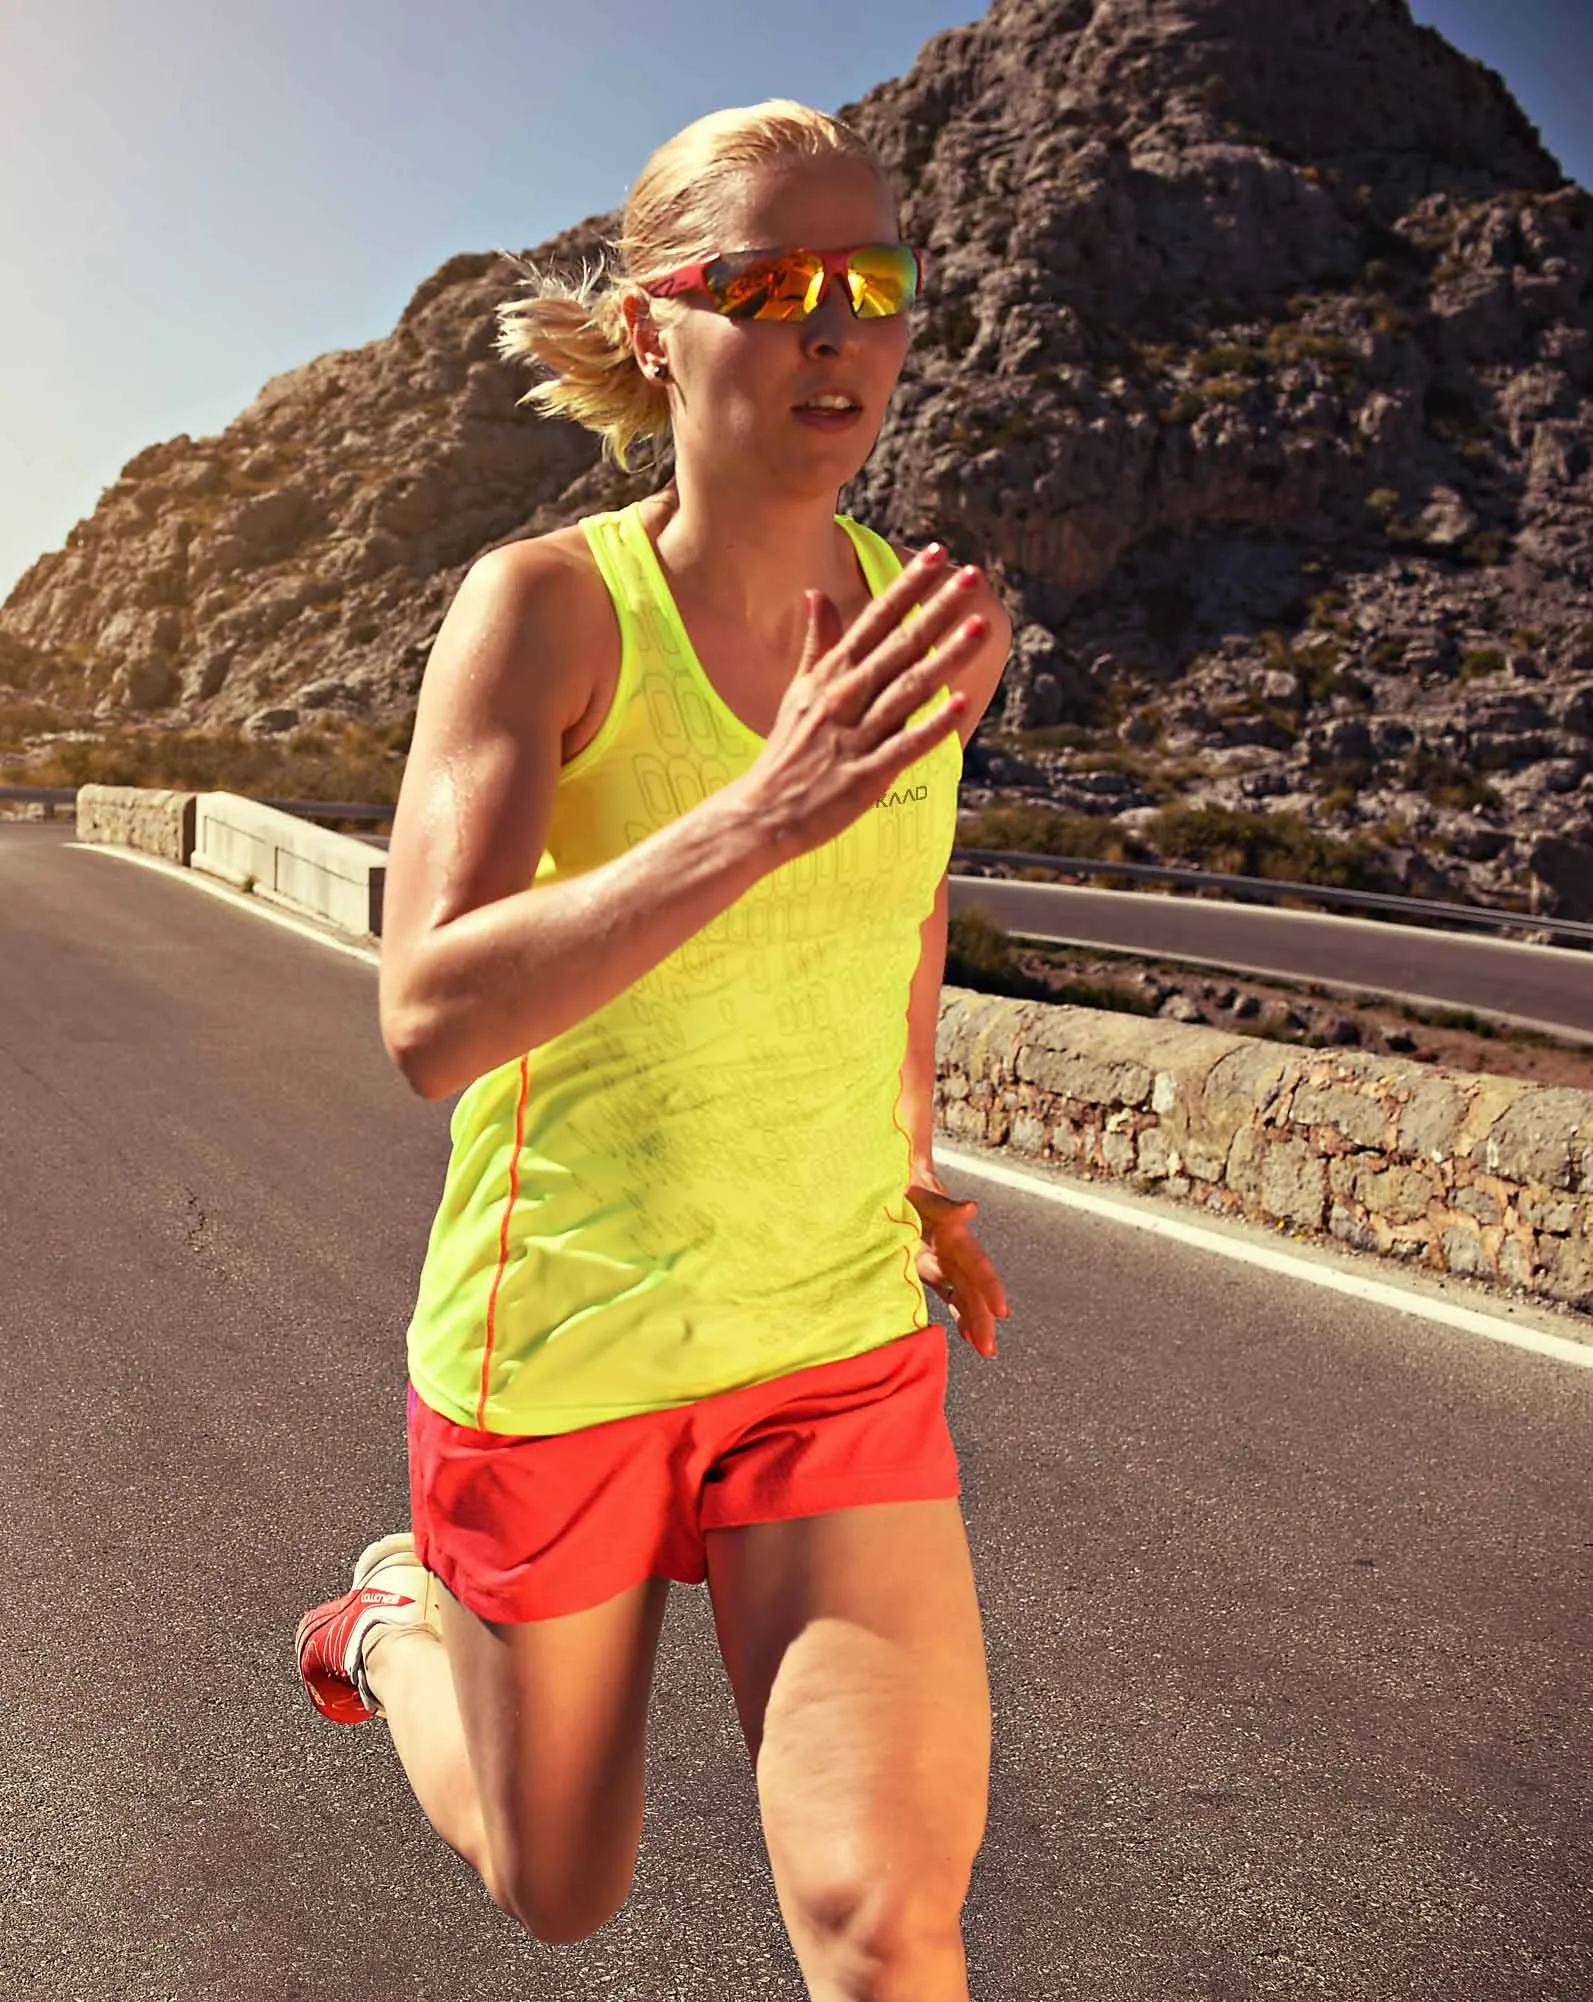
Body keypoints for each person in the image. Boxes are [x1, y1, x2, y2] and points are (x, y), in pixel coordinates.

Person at [294, 97, 1014, 2002]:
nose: (838, 330)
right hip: (569, 1339)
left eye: (874, 284)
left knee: (885, 1923)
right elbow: (427, 1015)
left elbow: (912, 903)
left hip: (831, 1339)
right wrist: (748, 817)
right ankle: (388, 1623)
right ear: (652, 325)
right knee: (561, 1884)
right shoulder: (546, 612)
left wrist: (919, 1165)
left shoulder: (933, 634)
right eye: (775, 283)